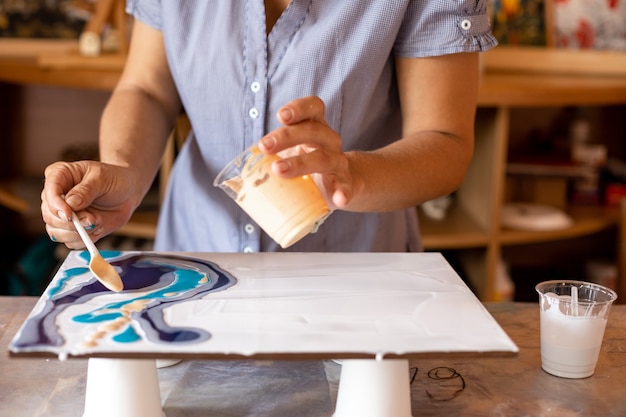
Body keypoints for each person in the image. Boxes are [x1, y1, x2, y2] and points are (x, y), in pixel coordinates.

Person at [41, 1, 497, 254]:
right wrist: (122, 171)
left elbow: (445, 141)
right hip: (196, 261)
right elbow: (146, 89)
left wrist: (353, 176)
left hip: (353, 283)